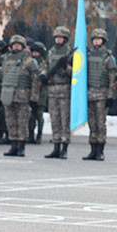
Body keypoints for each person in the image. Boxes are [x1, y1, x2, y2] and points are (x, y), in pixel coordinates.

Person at [0, 35, 39, 156]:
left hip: (22, 96)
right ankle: (13, 146)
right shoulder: (5, 58)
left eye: (19, 45)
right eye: (14, 45)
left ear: (23, 47)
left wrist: (34, 97)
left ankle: (21, 147)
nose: (16, 47)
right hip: (8, 95)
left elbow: (35, 79)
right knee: (10, 121)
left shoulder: (29, 61)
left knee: (22, 122)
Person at [83, 28, 117, 161]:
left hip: (102, 95)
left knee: (100, 124)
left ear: (103, 41)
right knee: (92, 123)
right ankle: (92, 149)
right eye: (95, 39)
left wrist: (111, 96)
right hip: (90, 94)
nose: (96, 41)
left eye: (99, 39)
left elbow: (112, 79)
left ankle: (100, 150)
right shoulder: (88, 56)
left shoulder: (109, 58)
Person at [42, 26, 73, 159]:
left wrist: (66, 69)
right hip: (52, 89)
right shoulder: (51, 52)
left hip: (65, 89)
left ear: (65, 39)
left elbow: (77, 72)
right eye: (56, 37)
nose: (58, 39)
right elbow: (47, 66)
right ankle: (56, 146)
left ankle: (64, 148)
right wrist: (43, 75)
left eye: (60, 37)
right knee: (54, 119)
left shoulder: (71, 53)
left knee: (64, 120)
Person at [28, 41, 47, 144]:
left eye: (37, 52)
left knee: (39, 115)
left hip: (41, 92)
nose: (35, 54)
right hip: (31, 92)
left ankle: (39, 134)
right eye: (33, 52)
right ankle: (31, 134)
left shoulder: (44, 63)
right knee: (31, 115)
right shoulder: (30, 62)